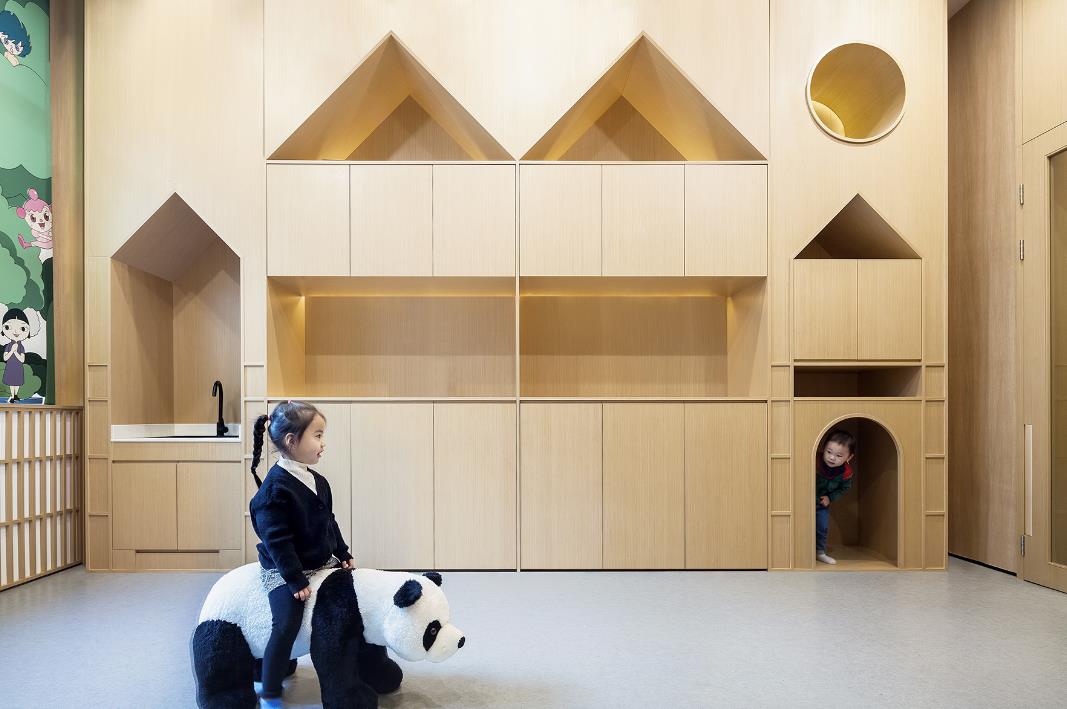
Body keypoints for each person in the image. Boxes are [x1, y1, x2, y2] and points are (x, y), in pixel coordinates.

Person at [248, 401, 355, 706]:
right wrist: (295, 580)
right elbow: (277, 542)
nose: (323, 443)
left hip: (319, 560)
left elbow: (329, 522)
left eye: (323, 436)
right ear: (291, 441)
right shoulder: (274, 491)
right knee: (287, 623)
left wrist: (342, 552)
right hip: (284, 569)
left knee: (353, 601)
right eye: (317, 436)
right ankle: (269, 690)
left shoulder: (318, 481)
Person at [815, 429, 855, 565]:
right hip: (804, 500)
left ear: (849, 457)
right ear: (823, 449)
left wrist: (830, 498)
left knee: (822, 527)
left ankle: (820, 552)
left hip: (821, 503)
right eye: (829, 452)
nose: (832, 458)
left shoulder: (846, 473)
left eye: (839, 455)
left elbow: (844, 488)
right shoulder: (815, 460)